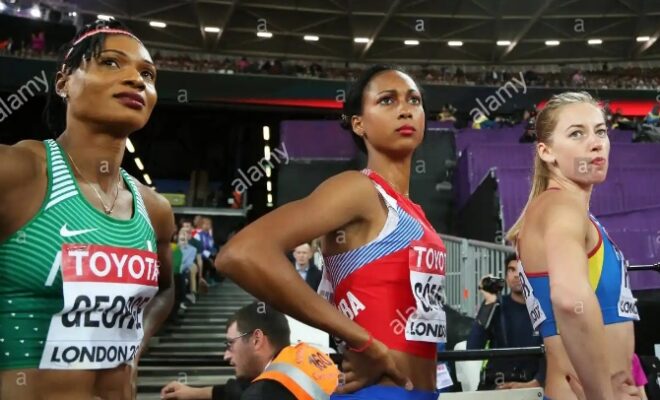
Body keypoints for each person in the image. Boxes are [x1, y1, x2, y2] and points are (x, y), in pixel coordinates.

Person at [217, 64, 447, 400]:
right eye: (387, 100)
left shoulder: (413, 210)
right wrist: (363, 341)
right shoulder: (358, 189)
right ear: (358, 123)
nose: (405, 109)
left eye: (414, 100)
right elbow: (240, 253)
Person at [0, 20, 175, 399]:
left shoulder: (155, 209)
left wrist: (134, 346)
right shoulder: (16, 172)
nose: (136, 79)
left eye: (147, 74)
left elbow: (165, 290)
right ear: (63, 82)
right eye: (111, 62)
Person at [506, 91, 641, 400]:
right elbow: (569, 300)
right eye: (577, 133)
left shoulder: (565, 210)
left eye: (600, 131)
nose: (595, 143)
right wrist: (602, 396)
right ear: (546, 151)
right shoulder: (561, 206)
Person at [160, 301, 339, 400]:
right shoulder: (301, 359)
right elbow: (239, 389)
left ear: (256, 340)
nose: (226, 355)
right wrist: (191, 393)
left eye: (230, 344)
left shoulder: (260, 394)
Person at [467, 254, 545, 390]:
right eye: (511, 270)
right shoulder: (496, 306)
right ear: (506, 276)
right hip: (495, 387)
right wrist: (488, 304)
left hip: (531, 388)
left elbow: (553, 354)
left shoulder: (542, 309)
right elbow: (472, 349)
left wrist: (535, 383)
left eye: (521, 270)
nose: (516, 275)